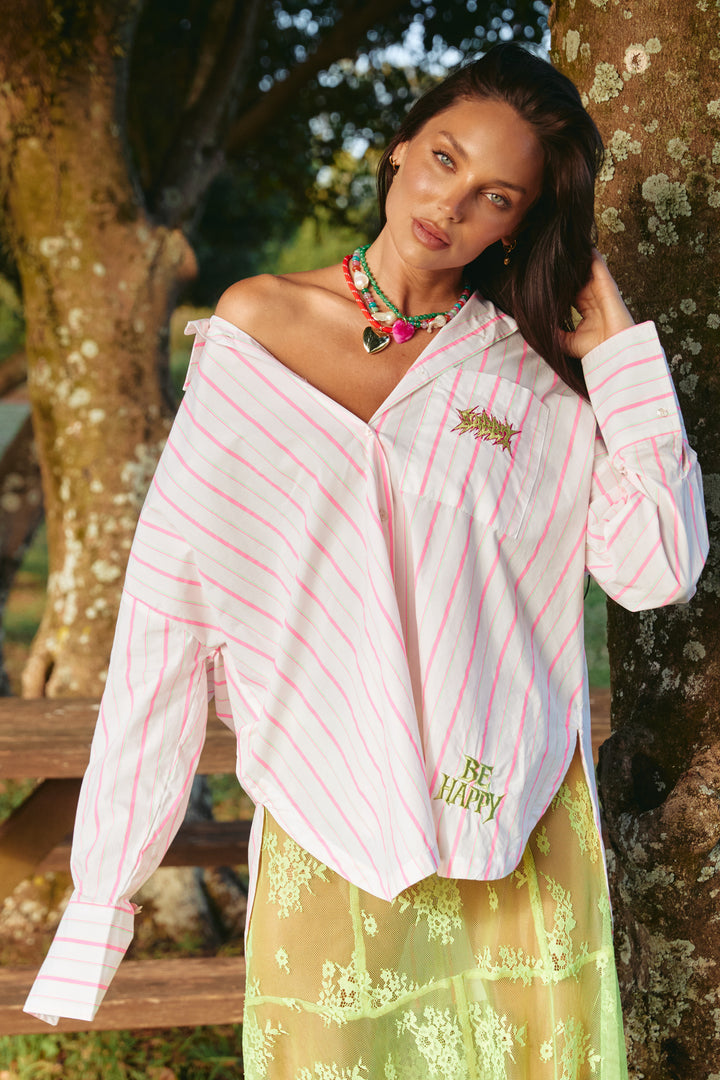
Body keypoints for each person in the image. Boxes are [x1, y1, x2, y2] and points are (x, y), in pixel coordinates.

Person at [25, 42, 707, 1078]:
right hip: (326, 812)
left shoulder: (529, 382)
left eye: (496, 196)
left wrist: (615, 350)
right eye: (443, 159)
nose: (452, 205)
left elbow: (656, 568)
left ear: (520, 223)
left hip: (512, 825)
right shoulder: (254, 333)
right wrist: (102, 898)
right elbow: (167, 620)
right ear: (398, 152)